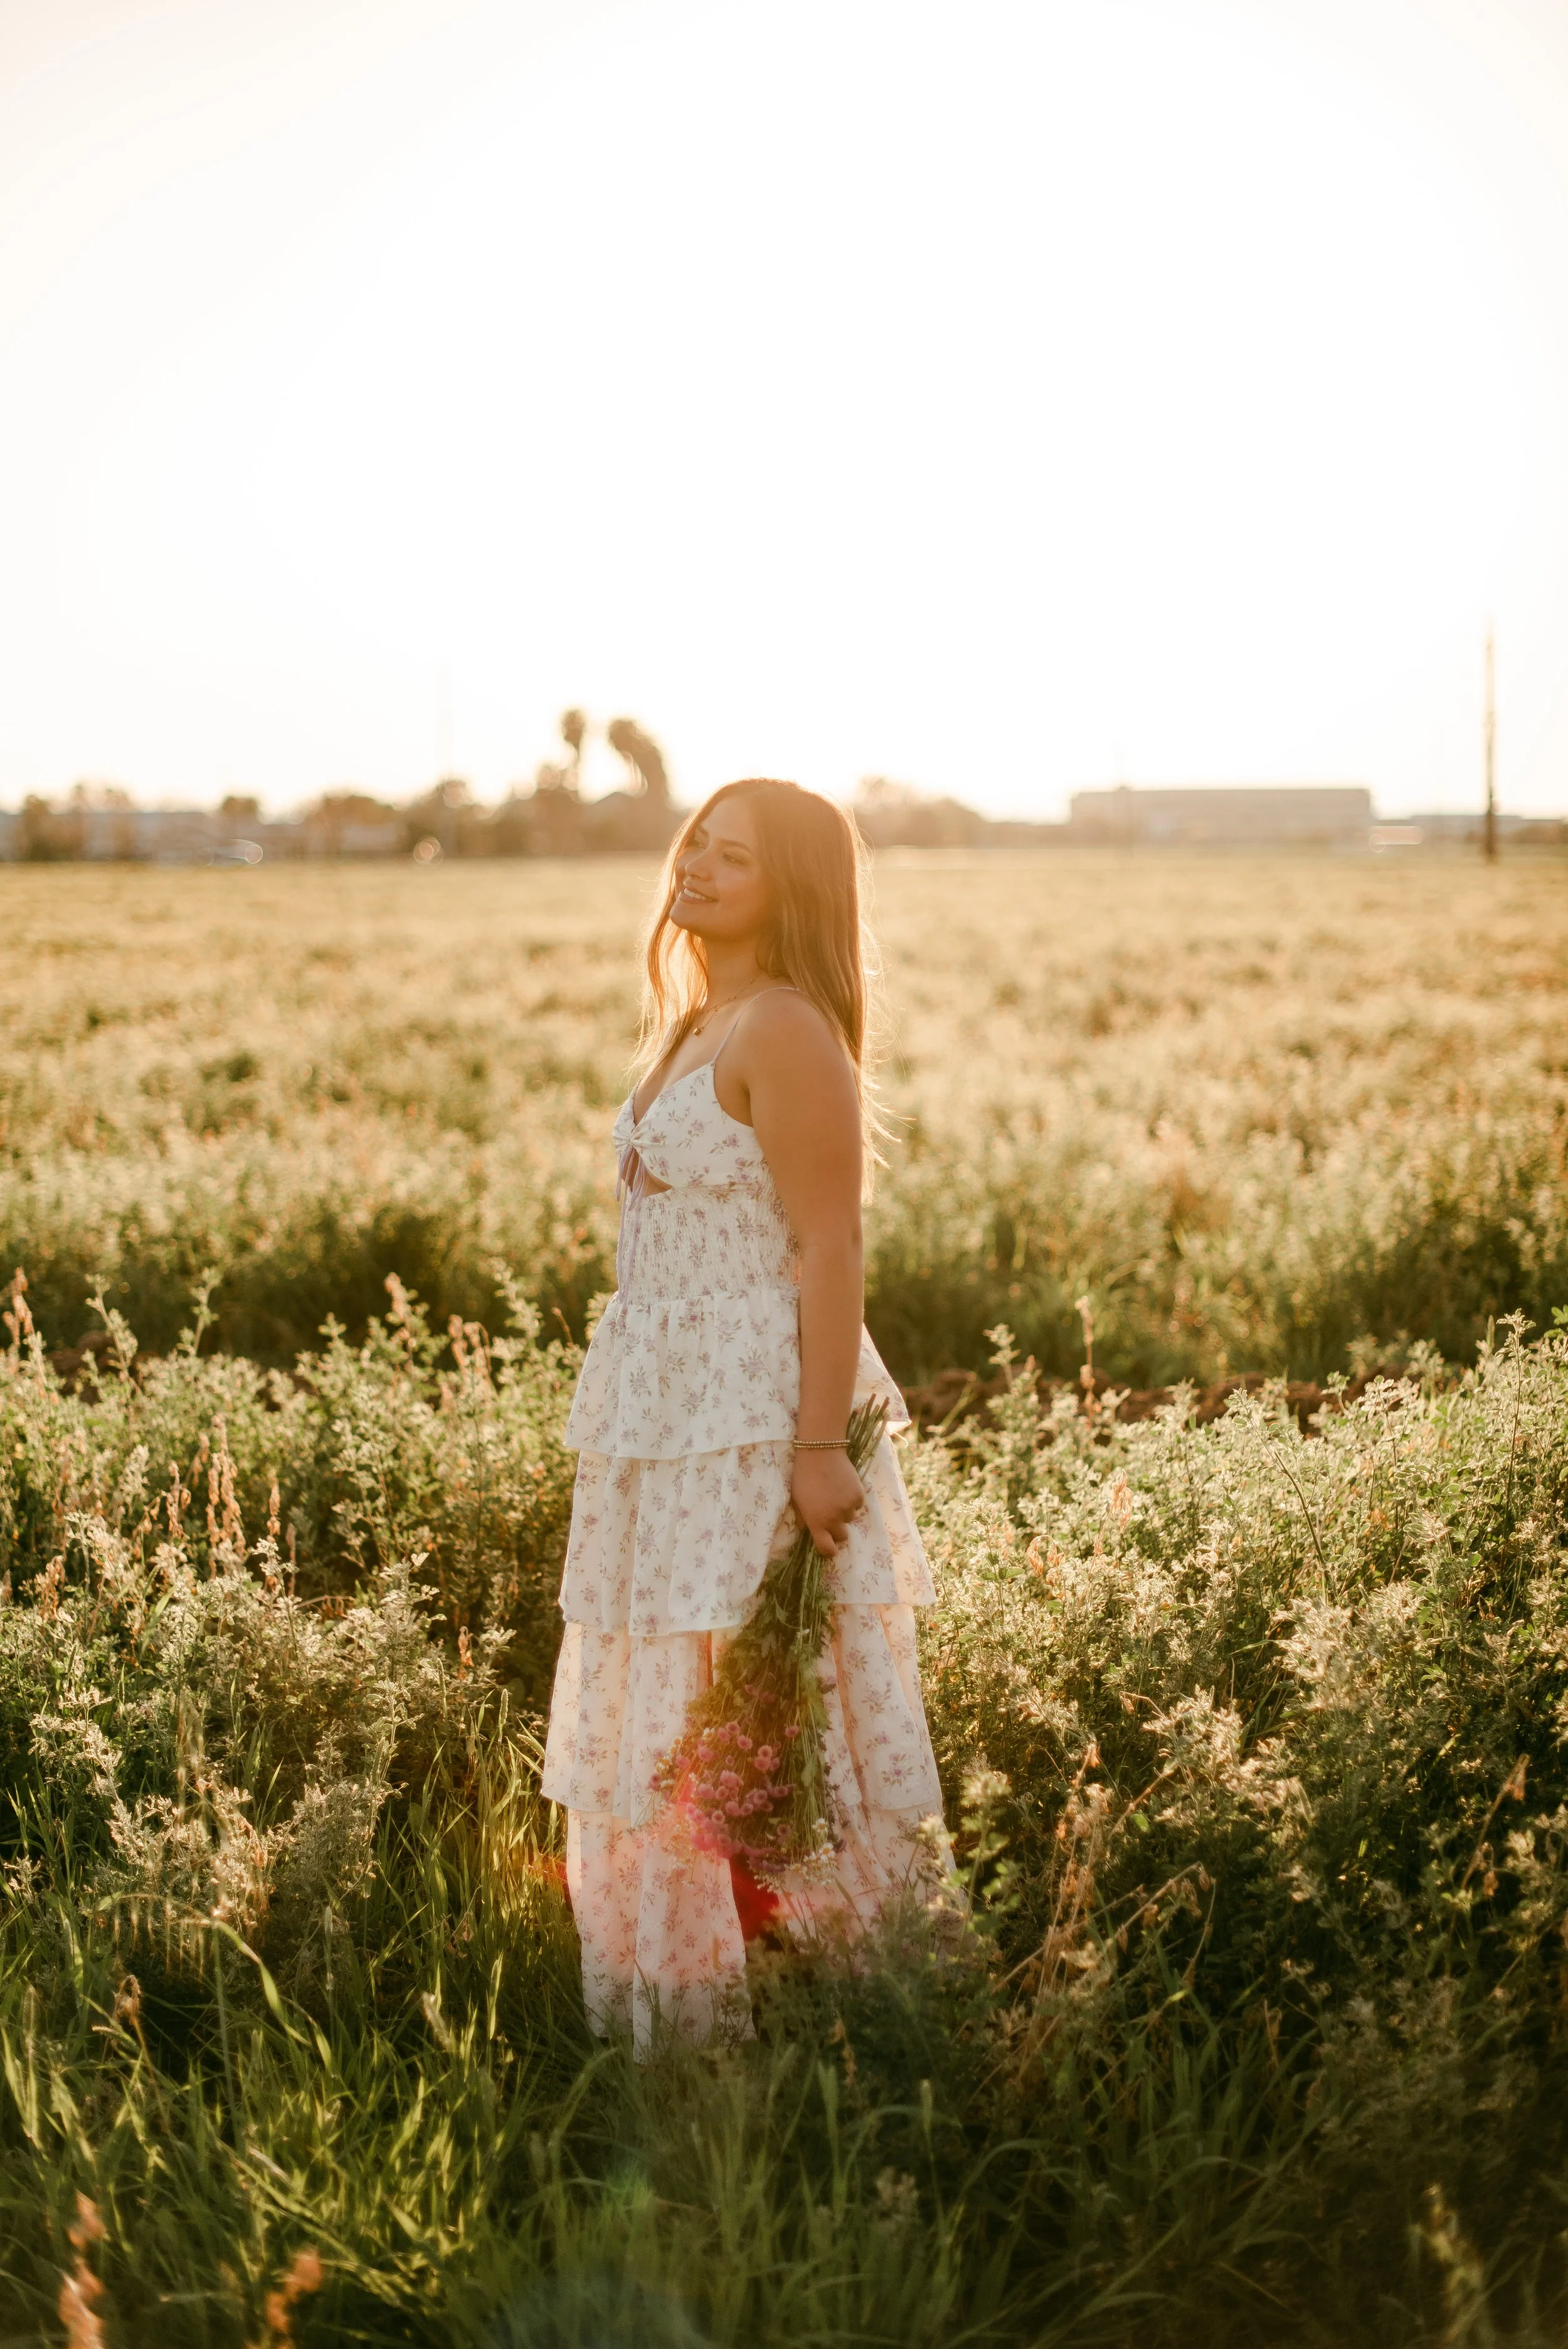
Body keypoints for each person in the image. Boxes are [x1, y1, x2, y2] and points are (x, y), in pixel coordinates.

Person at [541, 778, 947, 2048]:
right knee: (670, 1708)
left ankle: (865, 2019)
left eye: (735, 859)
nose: (697, 870)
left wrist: (816, 1450)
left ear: (794, 893)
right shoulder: (695, 1019)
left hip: (757, 1419)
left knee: (782, 1709)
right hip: (667, 1420)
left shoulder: (781, 1029)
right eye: (695, 847)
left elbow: (829, 1249)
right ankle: (687, 2017)